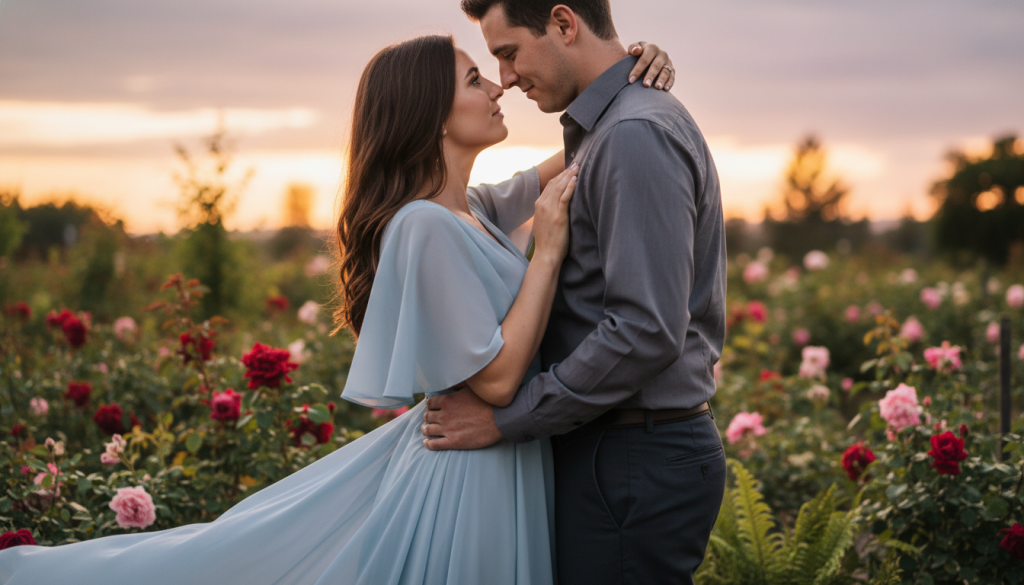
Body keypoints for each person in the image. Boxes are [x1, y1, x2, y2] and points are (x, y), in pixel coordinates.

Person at [0, 35, 674, 585]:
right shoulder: (421, 227)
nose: (499, 88)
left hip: (497, 457)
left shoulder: (472, 212)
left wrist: (629, 81)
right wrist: (547, 252)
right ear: (430, 111)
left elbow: (590, 150)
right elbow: (496, 381)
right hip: (472, 471)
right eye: (475, 79)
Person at [420, 2, 729, 584]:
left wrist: (505, 420)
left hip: (633, 455)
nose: (505, 79)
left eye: (508, 53)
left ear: (564, 24)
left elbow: (643, 332)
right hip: (614, 447)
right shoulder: (612, 130)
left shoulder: (634, 133)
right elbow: (474, 203)